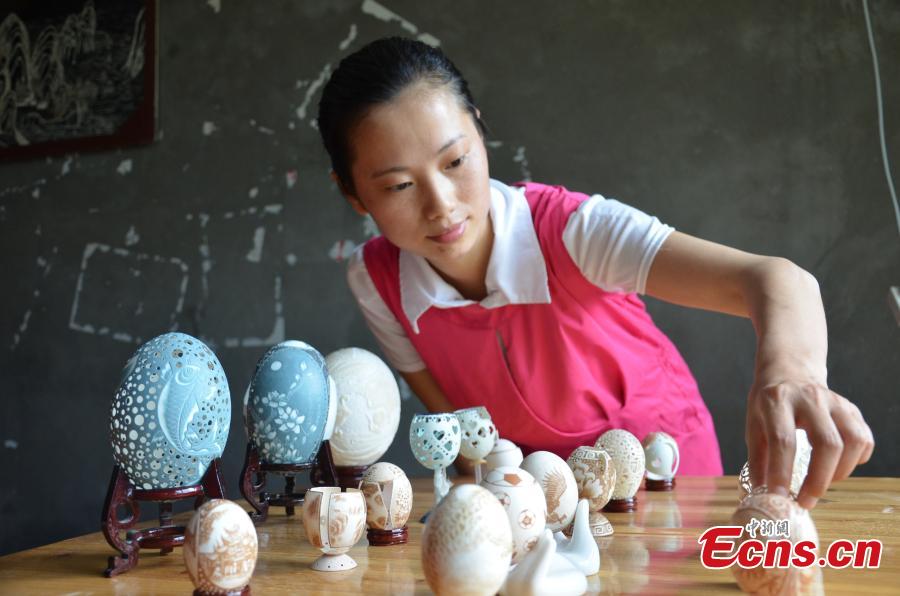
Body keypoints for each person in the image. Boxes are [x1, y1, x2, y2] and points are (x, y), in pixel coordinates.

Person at [316, 37, 873, 508]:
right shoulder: (376, 281)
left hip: (667, 485)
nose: (441, 205)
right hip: (533, 506)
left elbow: (778, 280)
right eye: (399, 186)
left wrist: (789, 374)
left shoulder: (574, 231)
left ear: (480, 131)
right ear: (353, 193)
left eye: (456, 161)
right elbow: (460, 436)